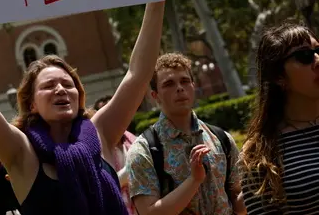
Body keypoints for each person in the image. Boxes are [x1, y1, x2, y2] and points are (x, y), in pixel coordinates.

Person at [0, 0, 172, 215]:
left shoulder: (101, 132)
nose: (61, 89)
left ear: (79, 95)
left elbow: (137, 75)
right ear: (31, 103)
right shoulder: (20, 151)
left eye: (68, 84)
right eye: (49, 86)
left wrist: (155, 1)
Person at [125, 53, 246, 214]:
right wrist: (194, 180)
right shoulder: (143, 151)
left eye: (184, 81)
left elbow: (238, 205)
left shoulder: (221, 139)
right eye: (169, 84)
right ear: (155, 96)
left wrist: (261, 182)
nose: (180, 88)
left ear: (193, 86)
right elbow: (148, 212)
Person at [241, 22, 319, 214]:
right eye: (305, 56)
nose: (317, 60)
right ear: (279, 77)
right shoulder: (260, 153)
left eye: (318, 51)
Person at [94, 96, 137, 215]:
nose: (113, 119)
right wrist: (127, 173)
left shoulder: (135, 141)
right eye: (106, 115)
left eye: (115, 113)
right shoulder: (94, 149)